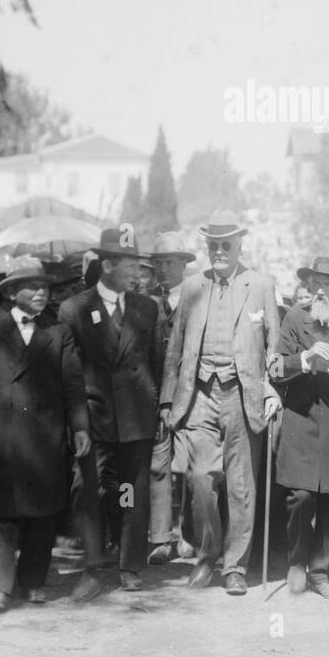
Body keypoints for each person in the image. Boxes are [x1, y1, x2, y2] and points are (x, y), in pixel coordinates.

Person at [0, 255, 91, 610]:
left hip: (45, 437)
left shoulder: (59, 332)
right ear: (13, 291)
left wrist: (80, 428)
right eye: (32, 286)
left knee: (43, 512)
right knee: (0, 514)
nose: (41, 293)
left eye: (45, 287)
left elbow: (73, 384)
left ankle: (32, 581)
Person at [159, 209, 281, 595]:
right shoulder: (194, 287)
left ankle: (235, 566)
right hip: (198, 395)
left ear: (240, 244)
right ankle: (207, 553)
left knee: (241, 485)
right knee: (199, 479)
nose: (218, 251)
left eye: (225, 244)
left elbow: (274, 347)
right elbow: (175, 349)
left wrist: (272, 389)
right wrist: (166, 400)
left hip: (242, 395)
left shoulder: (260, 285)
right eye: (212, 244)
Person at [58, 228, 164, 599]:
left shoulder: (147, 307)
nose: (137, 273)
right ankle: (92, 566)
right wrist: (77, 424)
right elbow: (70, 374)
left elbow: (157, 363)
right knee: (86, 489)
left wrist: (160, 408)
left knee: (129, 492)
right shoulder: (74, 309)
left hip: (136, 416)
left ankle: (129, 563)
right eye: (130, 265)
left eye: (139, 265)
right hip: (93, 416)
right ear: (107, 265)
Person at [272, 257, 329, 599]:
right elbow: (275, 366)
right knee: (301, 496)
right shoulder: (296, 318)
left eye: (328, 283)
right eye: (315, 283)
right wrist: (305, 359)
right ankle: (297, 562)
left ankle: (321, 570)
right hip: (303, 417)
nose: (320, 290)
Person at [146, 231, 196, 564]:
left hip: (192, 394)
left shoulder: (199, 297)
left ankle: (189, 535)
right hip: (154, 395)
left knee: (193, 466)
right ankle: (160, 538)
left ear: (183, 264)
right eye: (159, 263)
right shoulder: (147, 302)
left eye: (170, 262)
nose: (163, 269)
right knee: (157, 465)